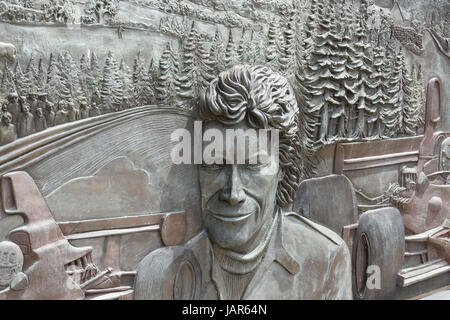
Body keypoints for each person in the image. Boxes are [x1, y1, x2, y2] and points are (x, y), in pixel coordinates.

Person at [136, 65, 352, 300]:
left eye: (253, 166)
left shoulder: (326, 259)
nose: (233, 193)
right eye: (215, 164)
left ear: (282, 169)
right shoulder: (168, 274)